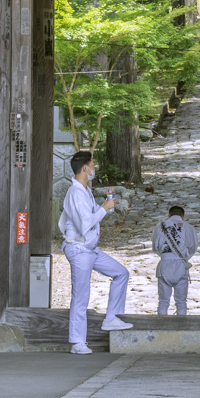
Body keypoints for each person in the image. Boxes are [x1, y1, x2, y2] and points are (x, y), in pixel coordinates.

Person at [59, 150, 132, 354]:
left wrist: (105, 208)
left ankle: (111, 318)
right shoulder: (75, 192)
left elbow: (91, 218)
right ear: (85, 168)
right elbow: (84, 224)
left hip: (90, 248)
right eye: (93, 164)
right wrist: (105, 207)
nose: (94, 168)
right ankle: (77, 342)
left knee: (121, 273)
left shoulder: (85, 190)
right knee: (81, 296)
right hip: (79, 249)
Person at [153, 205, 198, 316]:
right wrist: (184, 257)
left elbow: (155, 247)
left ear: (169, 216)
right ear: (182, 216)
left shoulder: (159, 227)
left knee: (163, 302)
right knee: (181, 302)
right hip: (181, 266)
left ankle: (161, 328)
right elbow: (193, 248)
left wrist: (165, 256)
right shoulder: (189, 228)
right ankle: (181, 327)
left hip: (164, 266)